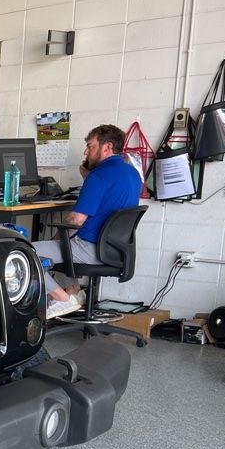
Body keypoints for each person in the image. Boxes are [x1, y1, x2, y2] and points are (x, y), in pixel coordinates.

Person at [34, 124, 142, 319]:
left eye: (90, 146)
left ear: (107, 147)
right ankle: (74, 291)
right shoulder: (133, 174)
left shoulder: (99, 176)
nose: (86, 151)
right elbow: (108, 203)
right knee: (63, 245)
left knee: (25, 252)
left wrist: (54, 239)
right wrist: (88, 180)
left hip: (90, 249)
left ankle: (61, 299)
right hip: (115, 250)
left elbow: (76, 220)